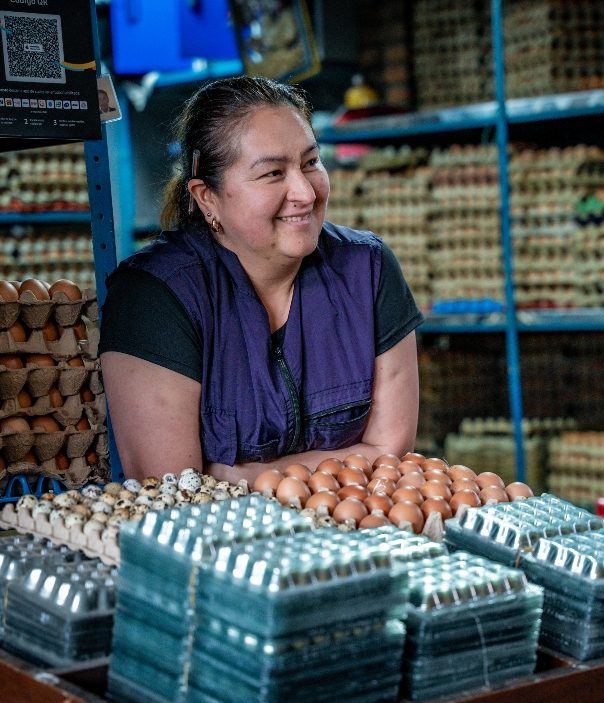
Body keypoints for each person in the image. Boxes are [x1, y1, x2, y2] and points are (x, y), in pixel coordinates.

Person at [99, 76, 423, 484]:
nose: (305, 192)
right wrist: (346, 464)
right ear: (207, 198)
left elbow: (390, 451)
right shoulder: (155, 296)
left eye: (310, 162)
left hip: (354, 540)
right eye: (273, 173)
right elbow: (173, 488)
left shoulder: (367, 269)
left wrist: (243, 474)